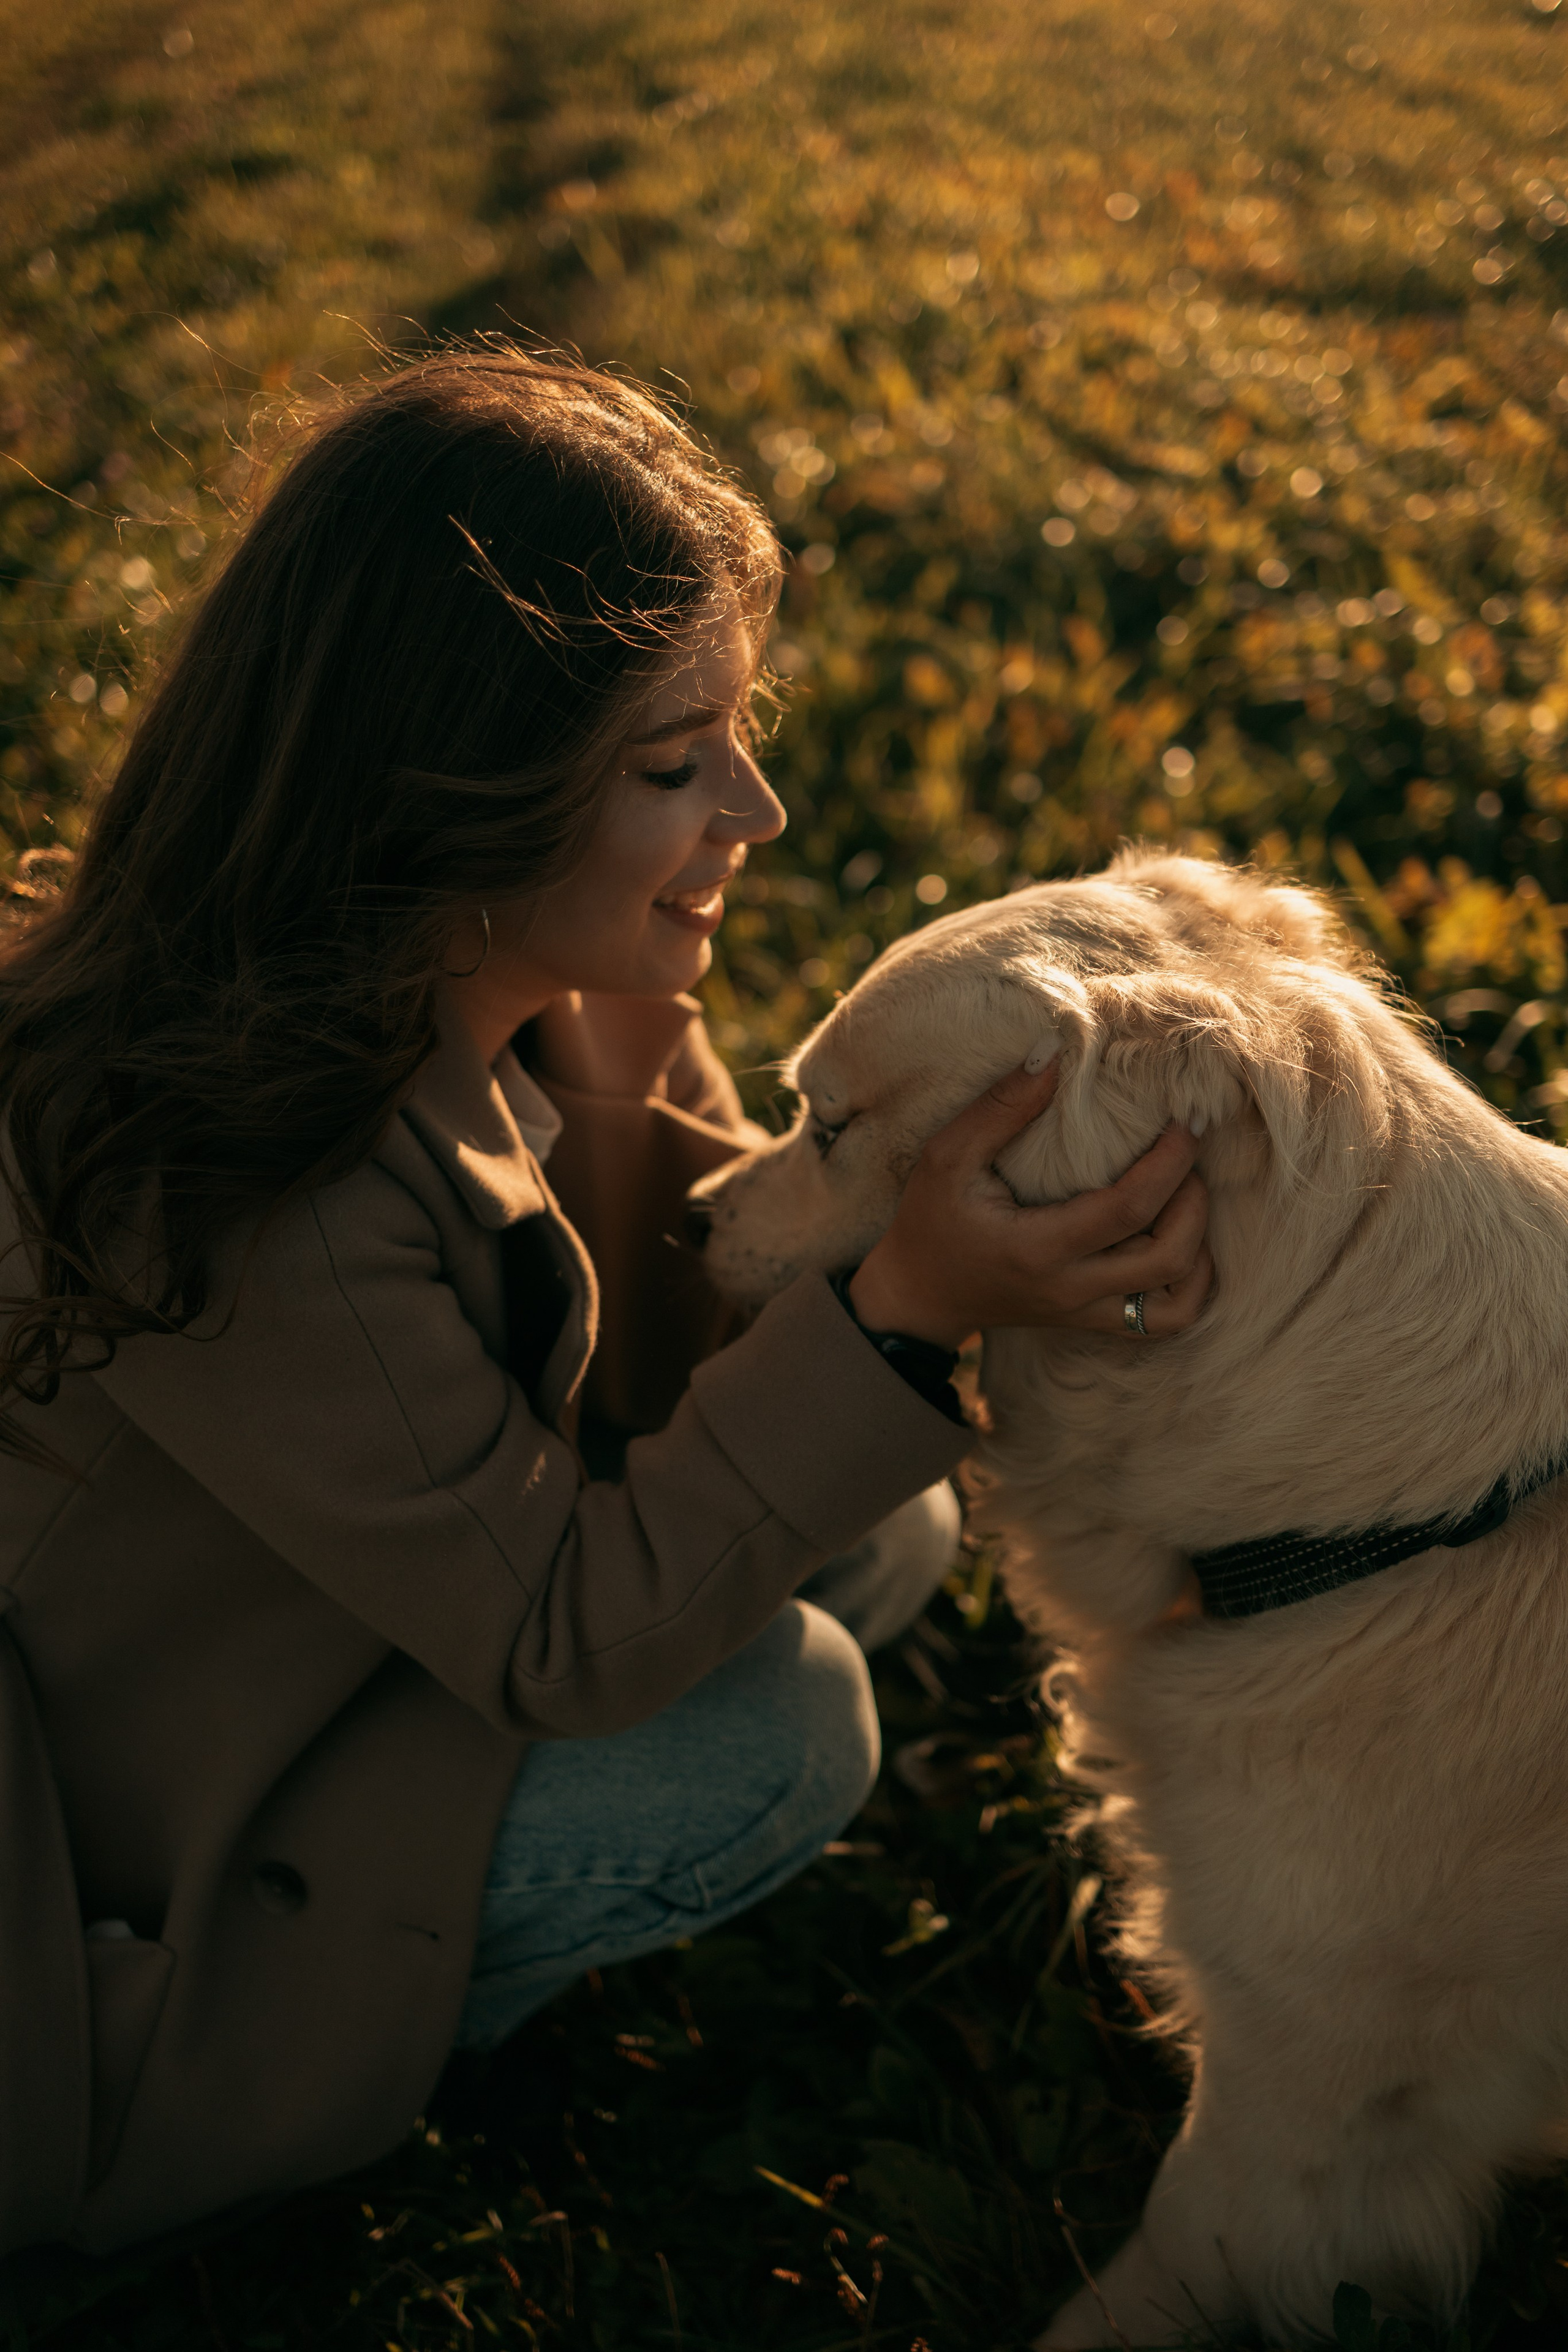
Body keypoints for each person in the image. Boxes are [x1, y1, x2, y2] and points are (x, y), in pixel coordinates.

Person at [0, 349, 1209, 2257]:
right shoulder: (239, 1180)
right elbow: (562, 1637)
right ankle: (327, 2054)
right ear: (449, 789)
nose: (759, 809)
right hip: (143, 1835)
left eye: (738, 734)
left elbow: (700, 1297)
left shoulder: (540, 967)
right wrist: (907, 1312)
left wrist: (909, 1212)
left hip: (361, 1614)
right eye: (673, 766)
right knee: (778, 1728)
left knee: (870, 1522)